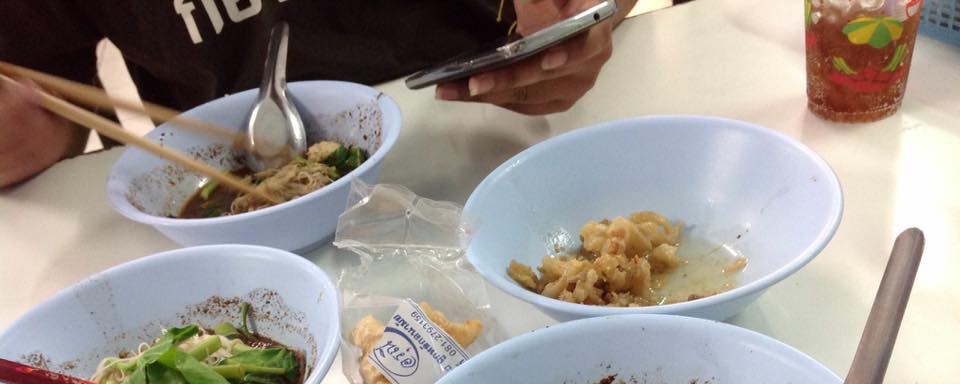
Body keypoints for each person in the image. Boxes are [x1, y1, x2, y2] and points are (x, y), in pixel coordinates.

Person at [0, 0, 636, 188]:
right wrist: (21, 135)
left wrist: (590, 13)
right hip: (232, 194)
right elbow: (49, 91)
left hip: (504, 131)